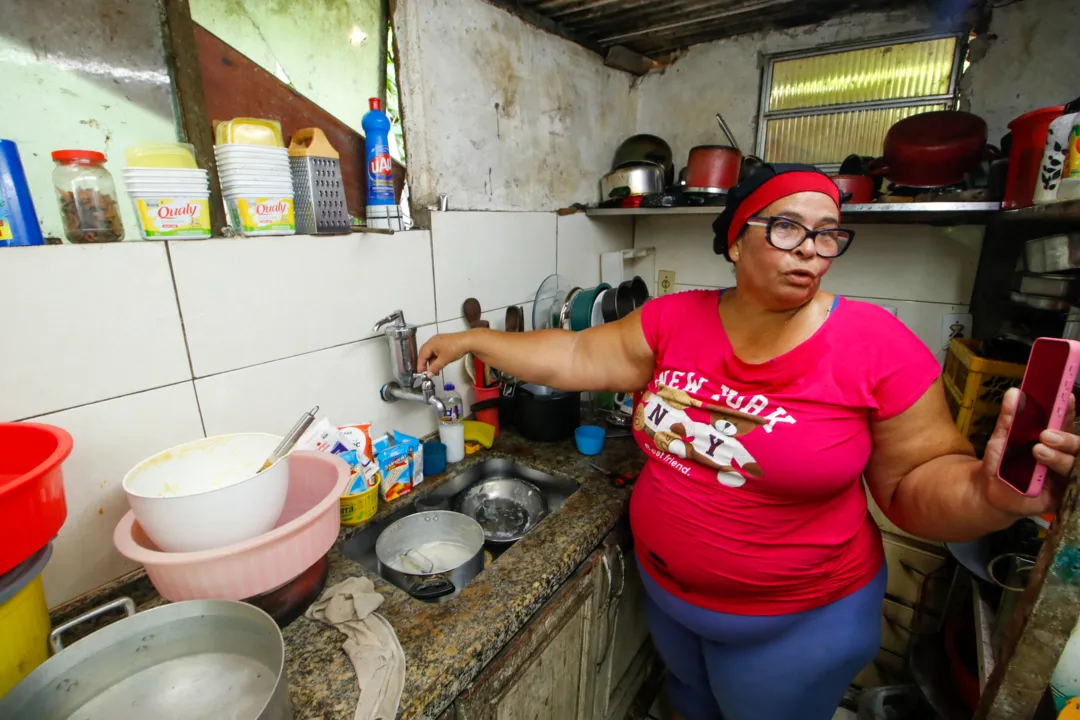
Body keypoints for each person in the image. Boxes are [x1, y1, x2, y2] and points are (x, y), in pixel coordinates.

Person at [416, 163, 1080, 720]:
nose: (810, 250)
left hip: (795, 626)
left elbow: (915, 488)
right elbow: (570, 355)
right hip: (673, 602)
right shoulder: (676, 320)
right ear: (736, 241)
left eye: (827, 235)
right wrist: (474, 340)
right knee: (691, 704)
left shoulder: (876, 344)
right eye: (788, 227)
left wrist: (993, 495)